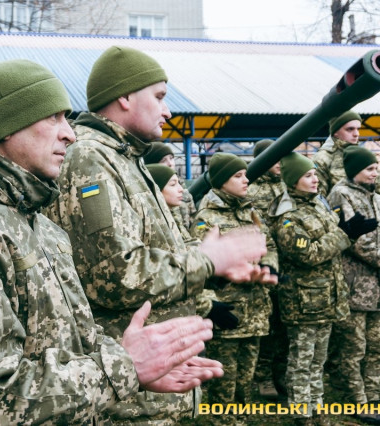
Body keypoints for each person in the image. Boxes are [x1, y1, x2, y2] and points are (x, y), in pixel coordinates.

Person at [0, 59, 224, 424]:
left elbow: (73, 339)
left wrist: (137, 368)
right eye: (53, 118)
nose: (69, 133)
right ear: (7, 126)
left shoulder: (38, 224)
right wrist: (122, 367)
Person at [46, 45, 269, 424]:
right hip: (130, 394)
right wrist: (206, 261)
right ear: (125, 97)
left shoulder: (125, 158)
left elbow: (158, 246)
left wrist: (214, 265)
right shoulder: (90, 158)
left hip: (154, 383)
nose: (167, 111)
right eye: (160, 97)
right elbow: (114, 274)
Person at [268, 152, 372, 425]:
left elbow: (332, 242)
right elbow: (309, 254)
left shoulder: (318, 204)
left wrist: (347, 231)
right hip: (303, 301)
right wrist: (344, 234)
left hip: (326, 297)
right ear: (293, 181)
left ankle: (317, 409)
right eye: (307, 175)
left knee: (318, 361)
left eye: (315, 173)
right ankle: (302, 414)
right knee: (301, 361)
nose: (315, 179)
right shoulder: (288, 217)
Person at [190, 153, 278, 426]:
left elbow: (268, 245)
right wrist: (211, 305)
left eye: (245, 175)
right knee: (224, 381)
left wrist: (269, 266)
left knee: (245, 380)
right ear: (220, 181)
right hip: (229, 309)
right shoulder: (206, 218)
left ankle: (241, 419)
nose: (246, 180)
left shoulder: (251, 212)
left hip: (256, 309)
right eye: (238, 176)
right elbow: (199, 266)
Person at [327, 145, 380, 425]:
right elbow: (352, 238)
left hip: (379, 289)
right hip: (354, 286)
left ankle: (374, 396)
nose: (375, 172)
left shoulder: (378, 197)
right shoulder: (340, 194)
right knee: (353, 348)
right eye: (369, 168)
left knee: (377, 346)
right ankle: (357, 400)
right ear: (355, 170)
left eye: (376, 167)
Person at [247, 139, 289, 399]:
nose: (279, 163)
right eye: (274, 158)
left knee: (285, 324)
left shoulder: (287, 185)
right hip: (266, 265)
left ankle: (280, 372)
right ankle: (263, 376)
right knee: (268, 325)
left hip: (289, 265)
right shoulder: (250, 189)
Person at [144, 141, 196, 230]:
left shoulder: (183, 189)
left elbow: (194, 219)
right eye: (163, 160)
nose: (170, 163)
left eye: (171, 158)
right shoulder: (148, 195)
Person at [313, 110, 363, 198]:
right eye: (350, 129)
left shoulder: (363, 156)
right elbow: (318, 198)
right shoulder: (322, 158)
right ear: (335, 132)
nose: (356, 134)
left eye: (358, 129)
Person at [146, 163, 192, 242]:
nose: (181, 189)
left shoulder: (173, 216)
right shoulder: (153, 226)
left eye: (179, 183)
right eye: (173, 184)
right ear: (156, 190)